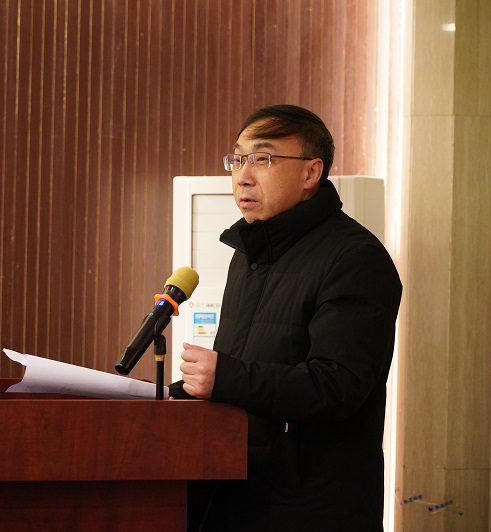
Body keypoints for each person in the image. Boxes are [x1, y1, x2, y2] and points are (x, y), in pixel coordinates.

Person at [169, 104, 402, 531]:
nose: (243, 176)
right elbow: (248, 368)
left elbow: (338, 385)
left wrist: (224, 377)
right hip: (237, 491)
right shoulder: (249, 254)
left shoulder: (355, 258)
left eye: (262, 158)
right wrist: (164, 400)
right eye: (238, 158)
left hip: (309, 508)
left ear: (311, 172)